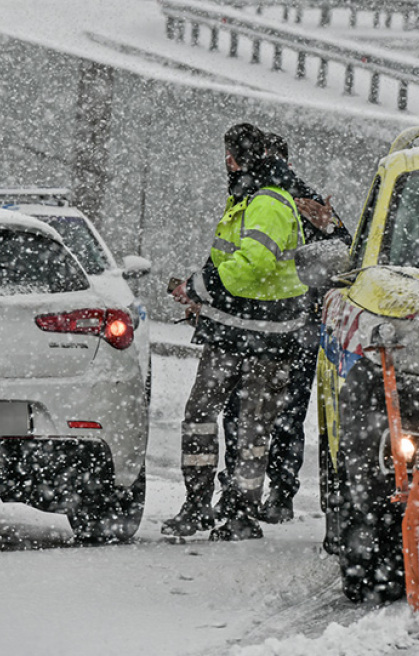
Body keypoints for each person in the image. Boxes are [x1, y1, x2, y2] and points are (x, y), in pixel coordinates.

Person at [162, 123, 308, 541]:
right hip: (235, 335)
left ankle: (238, 515)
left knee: (248, 429)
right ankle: (202, 506)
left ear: (234, 158)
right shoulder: (249, 200)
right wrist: (204, 296)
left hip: (260, 340)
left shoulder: (267, 203)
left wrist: (198, 287)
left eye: (229, 156)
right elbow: (240, 268)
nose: (226, 163)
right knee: (212, 421)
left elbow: (253, 267)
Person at [218, 132, 351, 524]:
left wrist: (328, 228)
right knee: (244, 410)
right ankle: (241, 490)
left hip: (300, 324)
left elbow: (345, 252)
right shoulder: (252, 197)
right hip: (255, 322)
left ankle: (277, 490)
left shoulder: (301, 199)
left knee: (284, 412)